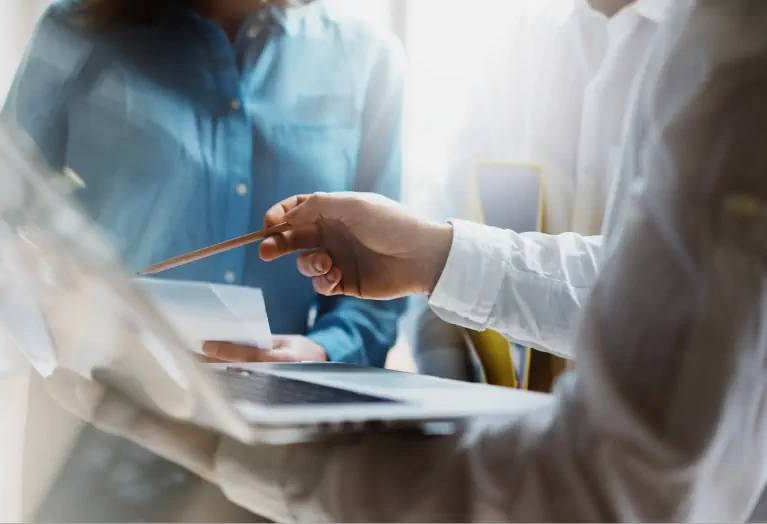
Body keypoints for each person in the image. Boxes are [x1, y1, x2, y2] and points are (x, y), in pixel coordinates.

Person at [207, 1, 767, 520]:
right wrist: (435, 254)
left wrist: (227, 453)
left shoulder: (734, 42)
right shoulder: (517, 54)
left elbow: (616, 485)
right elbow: (640, 290)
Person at [2, 0, 405, 367]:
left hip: (282, 421)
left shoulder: (366, 58)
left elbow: (378, 275)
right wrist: (45, 301)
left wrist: (325, 351)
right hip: (95, 404)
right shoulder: (75, 30)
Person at [414, 0, 669, 382]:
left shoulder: (720, 50)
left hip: (657, 419)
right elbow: (455, 209)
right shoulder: (514, 46)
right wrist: (445, 376)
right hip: (516, 413)